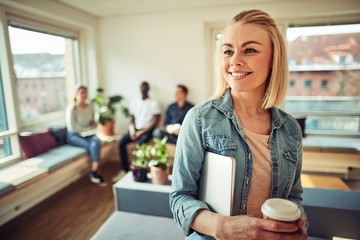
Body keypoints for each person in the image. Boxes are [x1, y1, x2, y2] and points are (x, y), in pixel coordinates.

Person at [169, 9, 307, 239]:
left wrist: (298, 227)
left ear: (274, 59)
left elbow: (293, 198)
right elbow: (180, 199)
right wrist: (223, 227)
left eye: (249, 50)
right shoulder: (199, 119)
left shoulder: (290, 129)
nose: (235, 61)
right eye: (228, 51)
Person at [117, 81, 161, 173]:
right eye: (142, 87)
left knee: (142, 144)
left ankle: (141, 169)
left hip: (147, 130)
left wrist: (141, 132)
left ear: (148, 89)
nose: (144, 89)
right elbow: (132, 120)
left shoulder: (154, 103)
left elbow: (155, 123)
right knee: (121, 142)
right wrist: (132, 130)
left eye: (145, 87)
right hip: (135, 129)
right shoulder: (134, 102)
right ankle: (125, 169)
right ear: (140, 89)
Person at [66, 85, 106, 186]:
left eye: (86, 92)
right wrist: (87, 130)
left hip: (88, 134)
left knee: (96, 143)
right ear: (76, 94)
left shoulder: (91, 107)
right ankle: (96, 173)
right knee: (91, 147)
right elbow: (72, 128)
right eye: (82, 92)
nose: (84, 95)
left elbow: (92, 123)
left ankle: (94, 171)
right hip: (74, 135)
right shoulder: (72, 109)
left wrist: (94, 125)